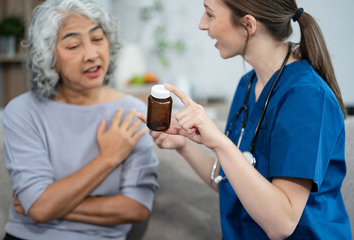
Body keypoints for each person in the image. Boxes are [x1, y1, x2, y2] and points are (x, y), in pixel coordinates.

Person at [137, 0, 352, 239]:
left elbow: (282, 224)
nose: (201, 24)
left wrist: (219, 141)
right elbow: (230, 183)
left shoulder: (307, 97)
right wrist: (183, 146)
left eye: (209, 14)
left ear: (248, 24)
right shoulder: (247, 85)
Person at [2, 0, 158, 239]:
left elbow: (136, 208)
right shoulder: (22, 111)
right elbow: (40, 208)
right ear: (49, 57)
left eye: (97, 39)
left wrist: (47, 203)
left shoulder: (133, 112)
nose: (92, 54)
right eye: (73, 45)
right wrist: (108, 158)